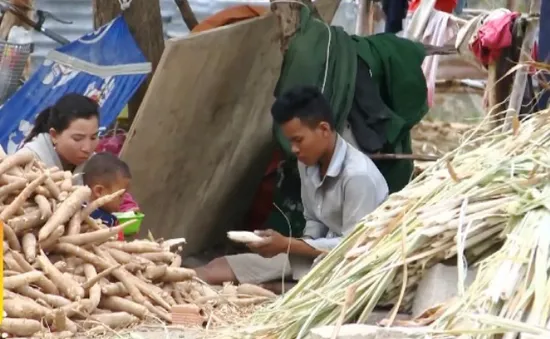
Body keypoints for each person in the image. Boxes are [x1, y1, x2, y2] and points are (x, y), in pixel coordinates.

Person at [194, 86, 389, 290]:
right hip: (319, 255)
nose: (294, 149)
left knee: (269, 286)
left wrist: (288, 245)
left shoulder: (358, 176)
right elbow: (313, 220)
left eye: (298, 140)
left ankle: (283, 285)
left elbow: (353, 246)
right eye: (290, 141)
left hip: (353, 266)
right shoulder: (307, 162)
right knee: (218, 268)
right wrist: (287, 248)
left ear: (323, 129)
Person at [18, 93, 100, 182]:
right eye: (77, 138)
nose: (87, 148)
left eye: (93, 137)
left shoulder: (96, 165)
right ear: (54, 135)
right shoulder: (28, 160)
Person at [83, 152, 133, 241]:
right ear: (99, 191)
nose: (124, 199)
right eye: (120, 195)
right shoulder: (96, 219)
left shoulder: (106, 215)